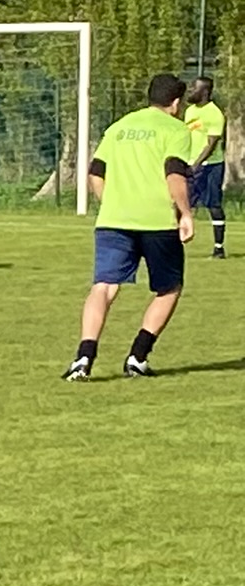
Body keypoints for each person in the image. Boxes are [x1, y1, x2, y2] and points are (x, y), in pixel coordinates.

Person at [64, 72, 197, 380]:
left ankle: (83, 357)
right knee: (169, 287)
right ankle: (138, 356)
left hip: (113, 220)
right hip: (157, 221)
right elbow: (174, 173)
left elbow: (95, 173)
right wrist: (186, 213)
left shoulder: (119, 127)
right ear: (176, 103)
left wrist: (112, 203)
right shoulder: (175, 129)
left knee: (104, 286)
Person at [184, 75, 225, 259]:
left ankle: (219, 248)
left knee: (213, 205)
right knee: (183, 203)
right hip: (191, 163)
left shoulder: (214, 113)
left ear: (205, 91)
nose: (190, 90)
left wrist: (197, 164)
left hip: (210, 166)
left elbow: (211, 144)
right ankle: (174, 244)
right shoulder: (190, 111)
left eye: (194, 87)